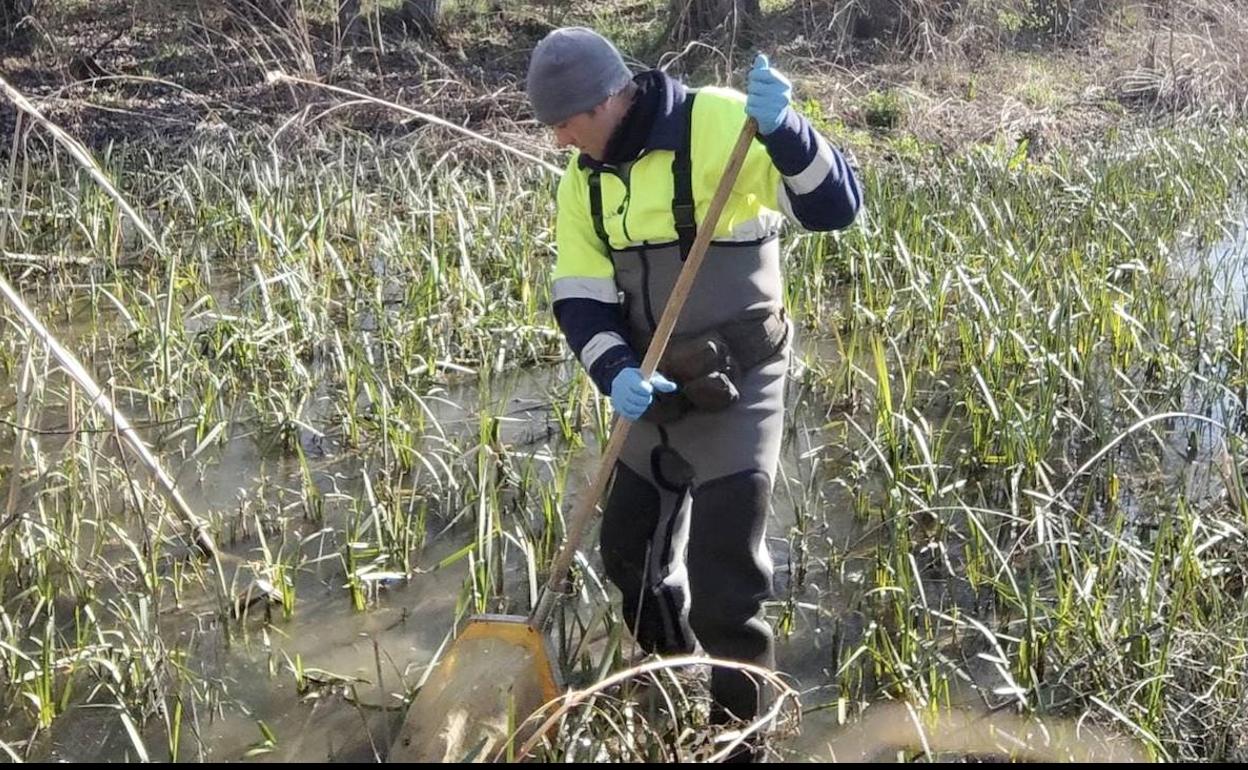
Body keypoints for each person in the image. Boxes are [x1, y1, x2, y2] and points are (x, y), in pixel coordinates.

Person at [527, 26, 862, 756]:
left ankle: (742, 734)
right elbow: (579, 295)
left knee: (727, 584)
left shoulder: (717, 121)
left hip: (740, 384)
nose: (557, 142)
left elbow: (837, 208)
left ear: (609, 98)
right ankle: (672, 672)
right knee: (627, 557)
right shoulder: (583, 175)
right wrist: (614, 370)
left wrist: (791, 134)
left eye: (565, 124)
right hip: (651, 387)